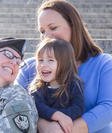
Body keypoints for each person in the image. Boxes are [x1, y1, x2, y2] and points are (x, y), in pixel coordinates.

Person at [15, 0, 112, 132]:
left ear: (73, 26)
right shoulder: (29, 67)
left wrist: (67, 130)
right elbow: (17, 106)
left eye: (53, 28)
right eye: (42, 31)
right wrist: (45, 127)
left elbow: (108, 107)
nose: (47, 36)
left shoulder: (104, 64)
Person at [30, 38, 84, 133]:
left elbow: (78, 108)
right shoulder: (37, 86)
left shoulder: (73, 84)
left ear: (64, 64)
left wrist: (62, 117)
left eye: (50, 60)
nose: (43, 65)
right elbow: (37, 106)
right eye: (40, 60)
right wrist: (56, 115)